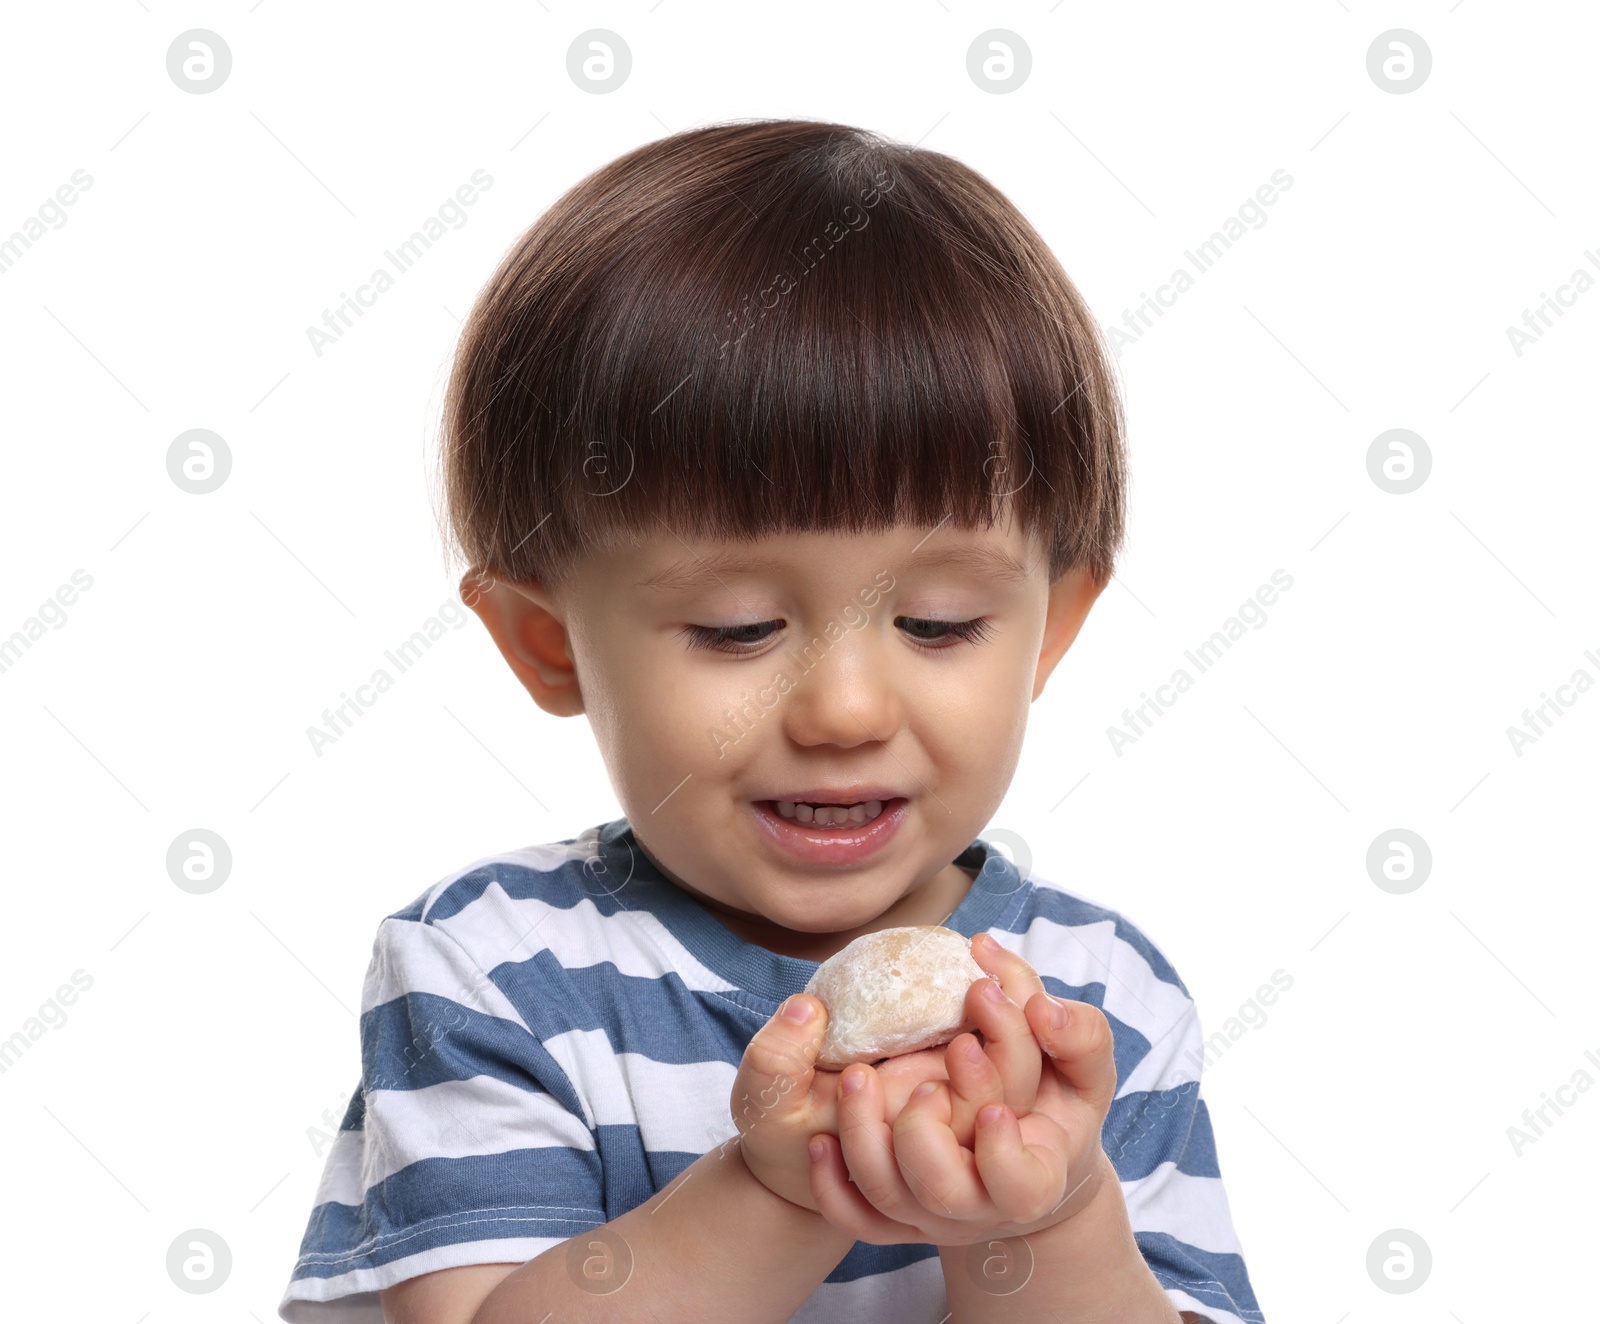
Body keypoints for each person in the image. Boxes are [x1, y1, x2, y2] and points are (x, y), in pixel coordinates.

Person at [277, 117, 1263, 1324]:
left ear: (1048, 630)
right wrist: (786, 1188)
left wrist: (1043, 1219)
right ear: (548, 642)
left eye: (941, 622)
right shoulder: (493, 969)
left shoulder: (1094, 1003)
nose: (845, 711)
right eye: (739, 628)